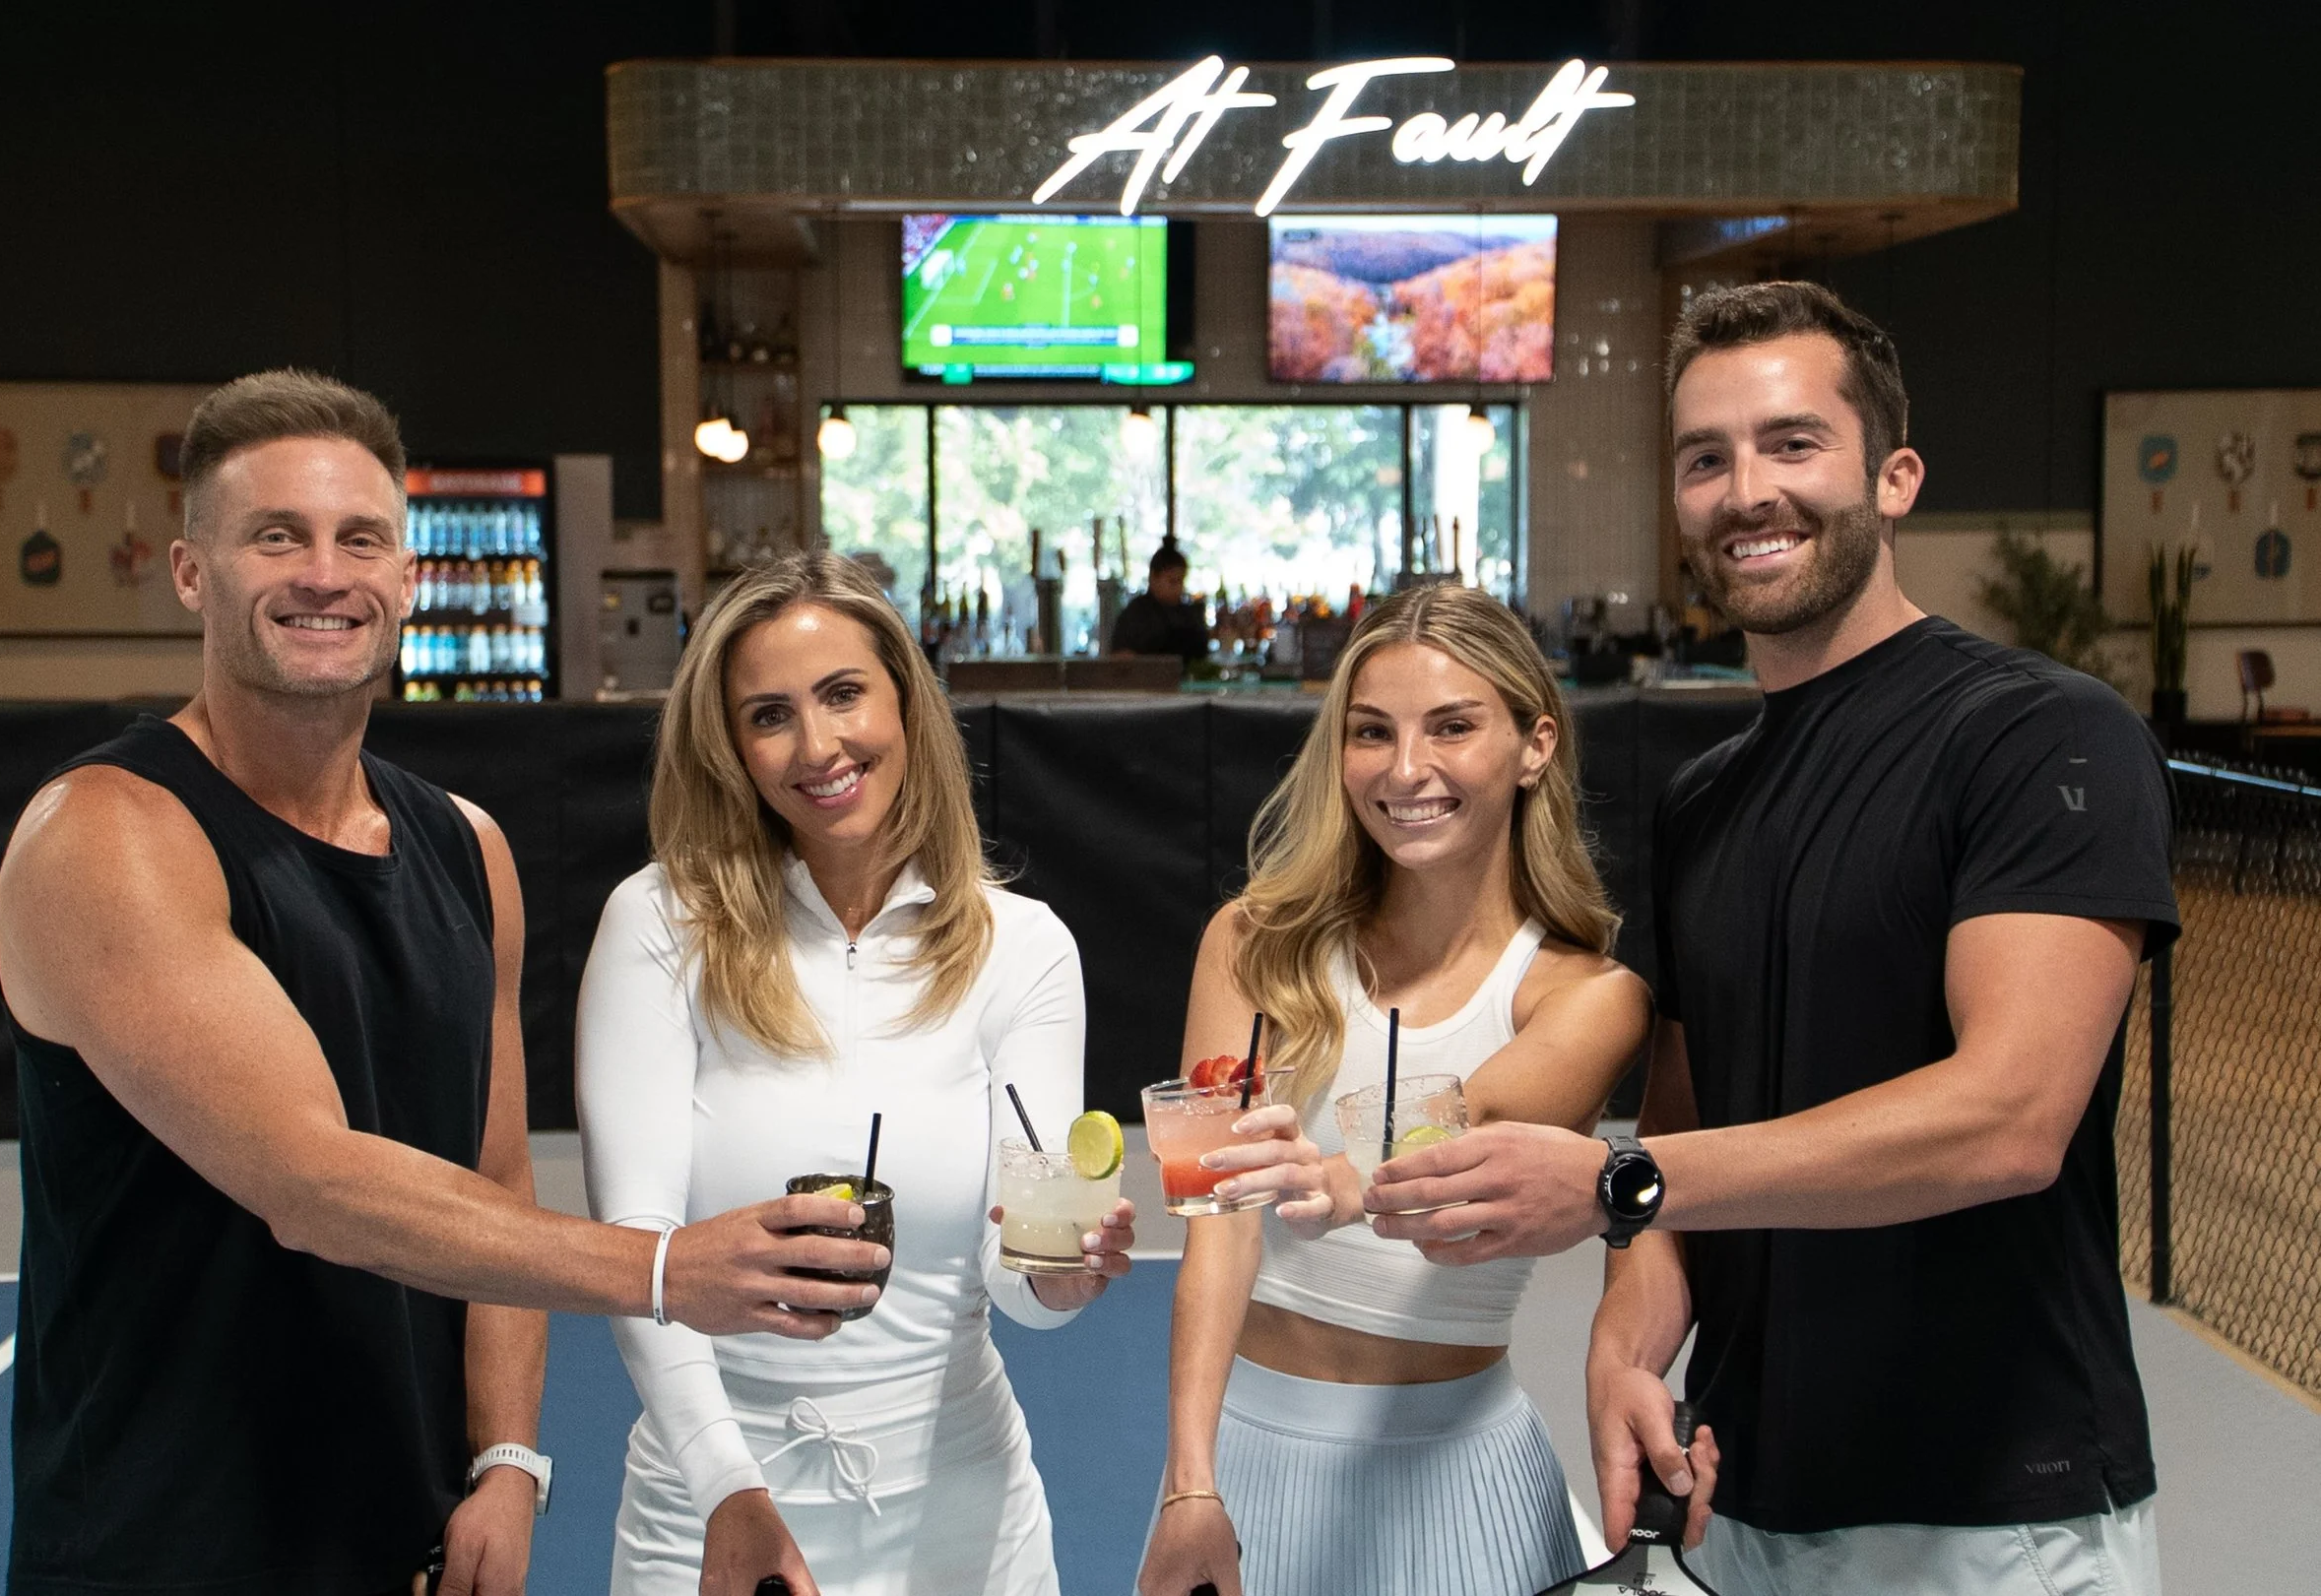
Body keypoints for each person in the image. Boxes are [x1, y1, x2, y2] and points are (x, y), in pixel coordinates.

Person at [0, 371, 886, 1596]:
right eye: (276, 536)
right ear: (191, 572)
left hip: (409, 1543)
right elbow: (312, 1182)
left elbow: (495, 1174)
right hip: (163, 1546)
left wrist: (510, 1459)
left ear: (407, 579)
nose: (323, 572)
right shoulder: (105, 836)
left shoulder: (468, 849)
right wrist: (665, 1271)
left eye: (360, 537)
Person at [1365, 283, 2176, 1596]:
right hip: (1741, 1507)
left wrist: (1619, 1186)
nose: (1748, 491)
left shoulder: (2041, 737)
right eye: (1707, 458)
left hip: (1988, 1519)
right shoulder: (1706, 800)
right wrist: (1627, 1350)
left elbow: (2010, 1116)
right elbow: (1684, 1136)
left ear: (1895, 476)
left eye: (1793, 444)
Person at [574, 548, 1140, 1596]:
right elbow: (639, 1257)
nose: (819, 745)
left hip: (964, 1524)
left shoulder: (1024, 947)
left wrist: (1062, 1273)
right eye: (770, 714)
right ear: (730, 746)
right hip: (711, 1520)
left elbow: (1018, 1270)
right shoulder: (657, 924)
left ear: (907, 706)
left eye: (843, 695)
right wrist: (729, 1495)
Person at [1137, 583, 1651, 1596]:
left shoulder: (1591, 996)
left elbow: (1468, 1125)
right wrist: (1189, 1482)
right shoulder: (1248, 944)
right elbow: (1214, 1217)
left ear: (1534, 744)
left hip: (1462, 1482)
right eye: (1371, 733)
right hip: (1243, 1467)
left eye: (1451, 727)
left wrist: (1332, 1181)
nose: (1406, 769)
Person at [1108, 542, 1209, 666]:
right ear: (1153, 578)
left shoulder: (1187, 615)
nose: (1178, 588)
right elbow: (1120, 657)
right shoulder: (1135, 615)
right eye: (1172, 581)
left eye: (1181, 581)